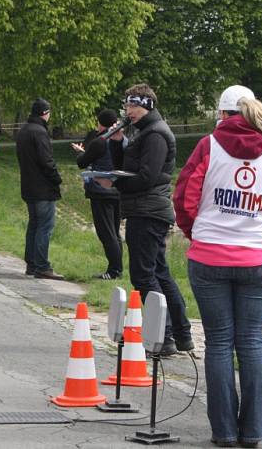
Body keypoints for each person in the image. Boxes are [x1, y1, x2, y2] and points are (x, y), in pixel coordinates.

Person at [173, 85, 262, 447]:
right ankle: (253, 431)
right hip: (256, 257)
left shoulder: (209, 145)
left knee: (219, 342)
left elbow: (184, 196)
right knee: (252, 342)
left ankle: (223, 431)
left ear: (222, 115)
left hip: (210, 256)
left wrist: (197, 232)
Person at [99, 83, 193, 356]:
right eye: (127, 106)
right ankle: (181, 334)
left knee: (144, 276)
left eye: (134, 106)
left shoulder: (156, 134)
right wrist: (116, 146)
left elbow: (147, 177)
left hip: (149, 211)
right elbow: (130, 167)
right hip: (144, 208)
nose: (129, 111)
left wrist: (114, 184)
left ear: (147, 106)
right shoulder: (142, 132)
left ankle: (163, 338)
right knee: (160, 273)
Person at [71, 109, 124, 280]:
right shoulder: (123, 140)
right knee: (115, 231)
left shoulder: (99, 141)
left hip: (100, 190)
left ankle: (114, 270)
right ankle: (118, 268)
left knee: (106, 232)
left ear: (100, 123)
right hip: (118, 189)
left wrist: (80, 152)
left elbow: (82, 162)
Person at [15, 98, 64, 280]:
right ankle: (42, 265)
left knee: (34, 225)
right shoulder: (40, 132)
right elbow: (46, 160)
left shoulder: (24, 131)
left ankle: (31, 263)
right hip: (43, 187)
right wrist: (56, 179)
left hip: (28, 185)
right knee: (45, 226)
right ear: (45, 113)